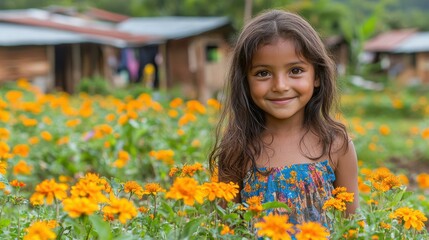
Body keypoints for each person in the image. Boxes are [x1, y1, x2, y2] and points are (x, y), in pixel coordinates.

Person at [208, 9, 359, 230]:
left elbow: (351, 229)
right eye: (263, 73)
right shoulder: (237, 150)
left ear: (316, 76)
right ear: (245, 81)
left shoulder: (337, 145)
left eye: (295, 70)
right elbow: (227, 230)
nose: (280, 86)